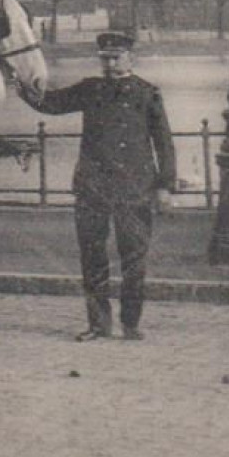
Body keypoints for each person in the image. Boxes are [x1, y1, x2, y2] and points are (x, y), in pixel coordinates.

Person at [40, 30, 176, 341]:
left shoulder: (147, 93)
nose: (110, 63)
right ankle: (98, 324)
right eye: (105, 58)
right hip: (93, 187)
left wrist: (165, 186)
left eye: (116, 57)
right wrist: (21, 81)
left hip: (135, 189)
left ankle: (131, 323)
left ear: (131, 58)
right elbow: (51, 104)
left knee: (134, 259)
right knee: (92, 257)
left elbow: (164, 143)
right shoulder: (90, 89)